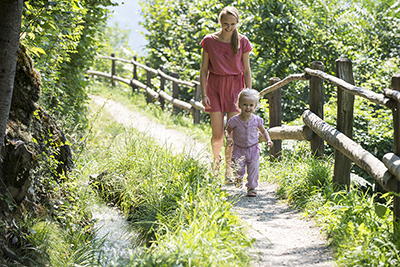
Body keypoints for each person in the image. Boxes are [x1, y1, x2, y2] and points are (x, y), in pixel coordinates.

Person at [200, 6, 252, 182]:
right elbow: (203, 70)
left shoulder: (242, 41)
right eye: (225, 24)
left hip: (236, 88)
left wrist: (249, 93)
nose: (229, 28)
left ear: (237, 23)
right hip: (214, 86)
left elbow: (246, 70)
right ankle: (215, 165)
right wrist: (204, 93)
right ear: (220, 22)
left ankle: (228, 171)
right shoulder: (209, 40)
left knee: (231, 135)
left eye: (232, 24)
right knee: (218, 135)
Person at [225, 89, 273, 197]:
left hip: (253, 149)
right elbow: (227, 130)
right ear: (239, 105)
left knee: (253, 170)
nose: (248, 107)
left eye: (251, 105)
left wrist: (268, 140)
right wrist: (228, 138)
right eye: (245, 104)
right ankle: (238, 179)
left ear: (255, 106)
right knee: (238, 169)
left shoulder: (257, 120)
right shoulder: (234, 120)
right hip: (238, 149)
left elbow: (263, 131)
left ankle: (252, 188)